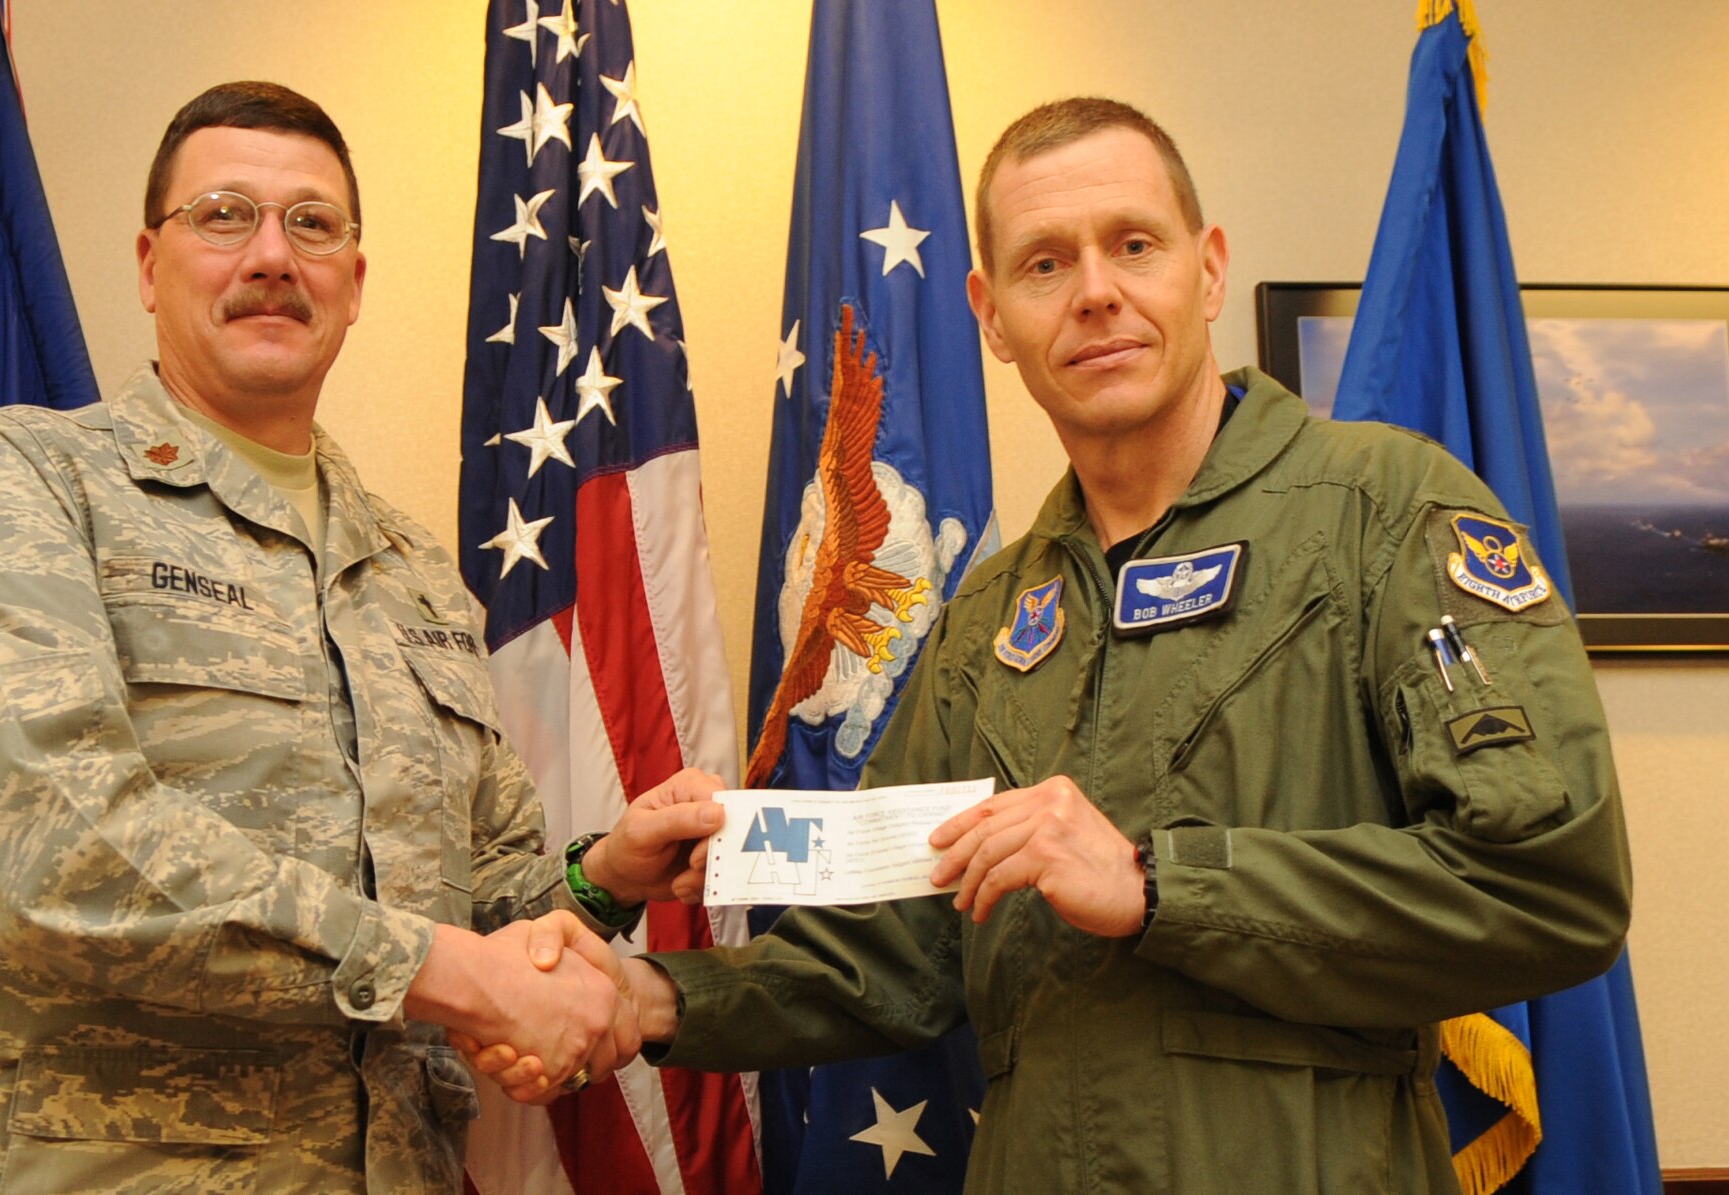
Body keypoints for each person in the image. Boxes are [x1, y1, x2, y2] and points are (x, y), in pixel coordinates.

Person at [484, 97, 1633, 1193]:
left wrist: (1154, 882)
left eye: (1132, 244)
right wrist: (651, 998)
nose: (1094, 294)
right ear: (990, 316)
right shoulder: (987, 617)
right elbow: (898, 955)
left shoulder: (1378, 511)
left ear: (1207, 267)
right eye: (1044, 264)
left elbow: (1548, 880)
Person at [0, 81, 721, 1194]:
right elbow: (50, 851)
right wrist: (454, 972)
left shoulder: (414, 571)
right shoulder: (26, 480)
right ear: (148, 263)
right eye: (224, 215)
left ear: (353, 282)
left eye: (311, 224)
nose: (271, 254)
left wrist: (603, 876)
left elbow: (480, 898)